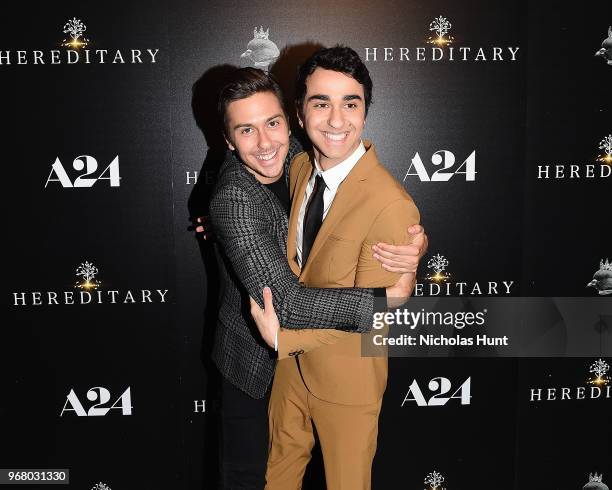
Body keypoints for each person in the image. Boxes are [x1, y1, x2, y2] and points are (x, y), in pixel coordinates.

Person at [205, 67, 427, 489]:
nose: (266, 143)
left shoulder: (300, 159)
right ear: (228, 141)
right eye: (246, 131)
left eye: (272, 124)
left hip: (322, 361)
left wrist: (413, 242)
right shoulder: (234, 198)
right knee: (251, 478)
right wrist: (384, 300)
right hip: (253, 362)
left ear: (290, 121)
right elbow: (286, 304)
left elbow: (380, 212)